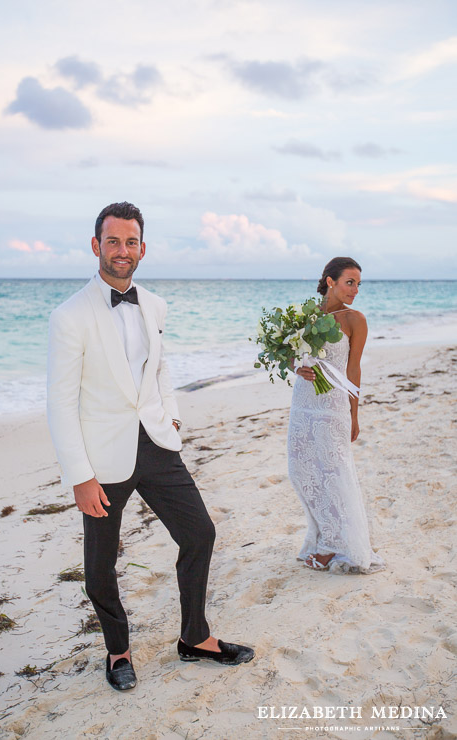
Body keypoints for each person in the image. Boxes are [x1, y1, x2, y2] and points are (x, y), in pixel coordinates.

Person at [47, 202, 254, 691]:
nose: (123, 251)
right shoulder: (69, 316)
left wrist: (171, 415)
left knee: (200, 534)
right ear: (96, 246)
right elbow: (59, 403)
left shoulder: (155, 305)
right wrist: (79, 474)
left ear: (143, 248)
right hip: (101, 458)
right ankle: (118, 651)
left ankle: (194, 639)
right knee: (100, 565)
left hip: (158, 445)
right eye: (113, 241)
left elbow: (158, 368)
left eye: (131, 241)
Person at [288, 257, 384, 574]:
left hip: (333, 407)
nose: (355, 290)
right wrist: (295, 367)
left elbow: (353, 369)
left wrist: (354, 414)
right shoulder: (306, 316)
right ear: (330, 281)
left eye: (358, 283)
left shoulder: (356, 320)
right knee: (302, 472)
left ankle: (333, 545)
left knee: (334, 474)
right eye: (349, 282)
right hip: (303, 405)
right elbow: (291, 356)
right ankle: (319, 537)